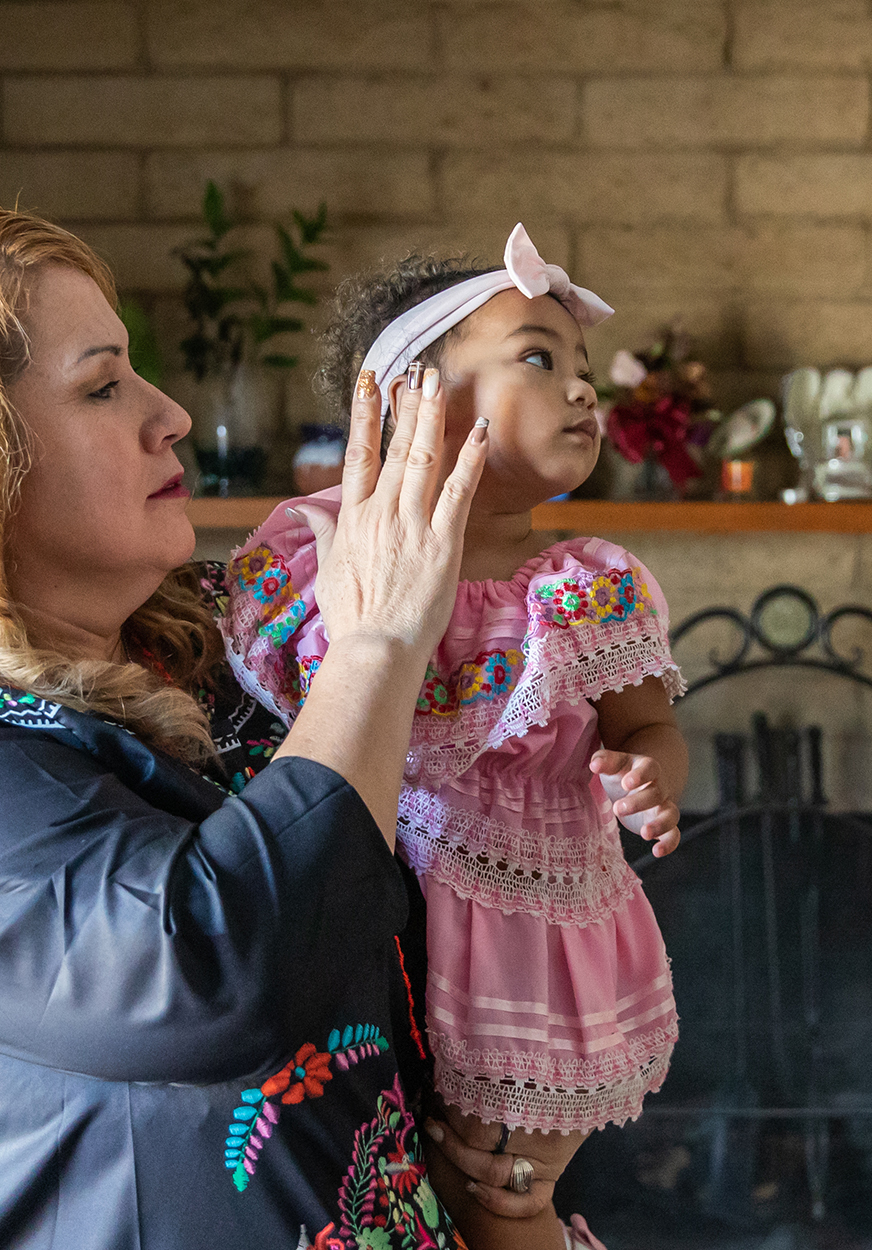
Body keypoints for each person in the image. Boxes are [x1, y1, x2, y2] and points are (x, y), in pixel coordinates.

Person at [0, 210, 549, 1249]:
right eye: (103, 383)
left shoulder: (212, 658)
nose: (168, 414)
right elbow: (211, 966)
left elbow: (398, 869)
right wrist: (378, 643)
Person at [220, 225, 689, 1249]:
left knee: (497, 1190)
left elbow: (647, 715)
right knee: (414, 1188)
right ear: (409, 401)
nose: (580, 390)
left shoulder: (584, 584)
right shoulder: (320, 548)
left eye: (579, 366)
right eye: (537, 356)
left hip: (527, 932)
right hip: (377, 923)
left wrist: (649, 772)